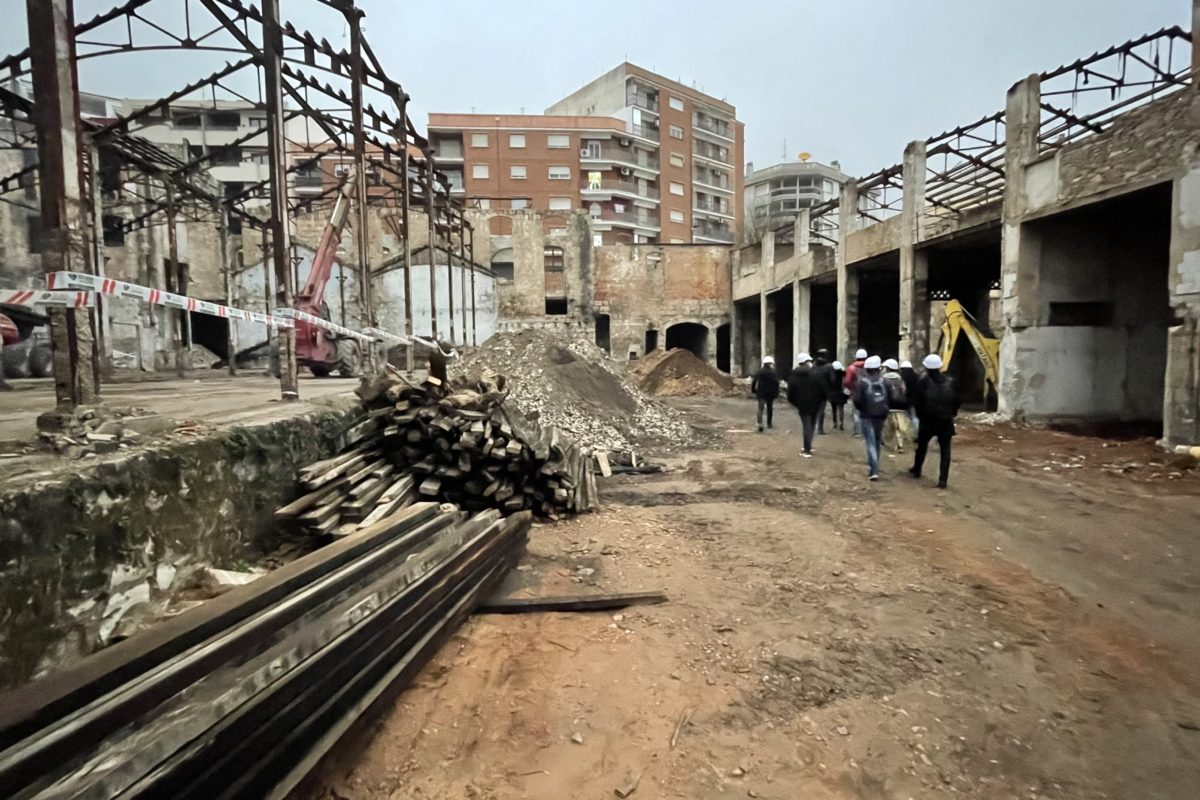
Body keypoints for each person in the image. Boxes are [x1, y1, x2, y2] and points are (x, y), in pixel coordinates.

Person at [909, 353, 959, 489]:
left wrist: (920, 415)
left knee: (922, 445)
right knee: (945, 450)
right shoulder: (950, 381)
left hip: (928, 420)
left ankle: (917, 469)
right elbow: (957, 400)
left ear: (927, 368)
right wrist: (952, 413)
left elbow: (917, 401)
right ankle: (943, 480)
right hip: (945, 420)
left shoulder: (924, 381)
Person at [853, 355, 894, 481]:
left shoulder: (862, 382)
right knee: (876, 440)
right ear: (879, 368)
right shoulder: (885, 382)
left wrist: (862, 410)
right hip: (881, 415)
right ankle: (875, 465)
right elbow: (891, 398)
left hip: (867, 416)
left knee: (870, 442)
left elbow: (857, 400)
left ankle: (873, 469)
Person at [786, 352, 825, 457]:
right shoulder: (816, 373)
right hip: (816, 403)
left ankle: (806, 449)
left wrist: (795, 403)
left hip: (802, 404)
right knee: (812, 425)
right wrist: (822, 400)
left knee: (806, 425)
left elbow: (790, 393)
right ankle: (808, 447)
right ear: (806, 362)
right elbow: (822, 388)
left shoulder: (794, 375)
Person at [881, 358, 912, 453]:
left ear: (888, 368)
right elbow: (904, 392)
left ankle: (884, 441)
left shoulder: (883, 379)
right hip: (900, 406)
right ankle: (900, 445)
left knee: (888, 426)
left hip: (888, 406)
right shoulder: (900, 379)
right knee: (899, 427)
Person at [842, 348, 868, 437]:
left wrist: (851, 388)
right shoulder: (868, 367)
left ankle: (858, 432)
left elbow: (847, 381)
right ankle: (866, 431)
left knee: (856, 412)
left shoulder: (851, 368)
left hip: (856, 392)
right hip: (868, 391)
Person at [751, 355, 780, 432]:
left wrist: (753, 390)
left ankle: (760, 424)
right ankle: (769, 424)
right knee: (769, 408)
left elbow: (754, 381)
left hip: (761, 393)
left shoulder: (760, 371)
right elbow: (776, 383)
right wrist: (777, 393)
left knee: (760, 409)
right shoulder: (773, 372)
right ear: (770, 364)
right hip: (770, 394)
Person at [810, 348, 833, 434]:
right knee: (821, 410)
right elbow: (832, 379)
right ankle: (820, 428)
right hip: (824, 391)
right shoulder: (829, 366)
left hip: (813, 389)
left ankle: (812, 426)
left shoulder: (814, 365)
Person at [899, 359, 920, 435]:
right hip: (915, 400)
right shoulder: (916, 376)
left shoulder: (902, 377)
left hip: (905, 400)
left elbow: (902, 389)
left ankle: (908, 434)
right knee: (914, 417)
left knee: (906, 417)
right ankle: (917, 433)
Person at [828, 360, 847, 430]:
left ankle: (835, 423)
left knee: (834, 409)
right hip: (841, 393)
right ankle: (841, 423)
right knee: (841, 408)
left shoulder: (831, 375)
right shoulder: (843, 373)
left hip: (832, 393)